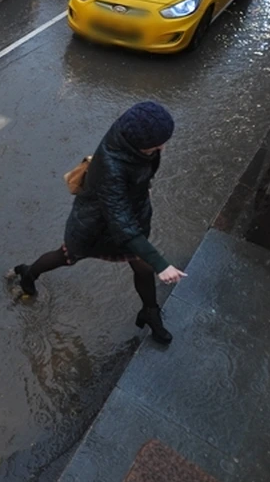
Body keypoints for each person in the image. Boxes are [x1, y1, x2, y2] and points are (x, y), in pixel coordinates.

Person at [12, 101, 187, 345]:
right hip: (95, 228)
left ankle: (150, 312)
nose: (163, 148)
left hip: (127, 221)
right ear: (141, 144)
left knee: (142, 267)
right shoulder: (112, 167)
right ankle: (28, 273)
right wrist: (162, 264)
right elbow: (120, 220)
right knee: (66, 256)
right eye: (157, 145)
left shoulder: (132, 138)